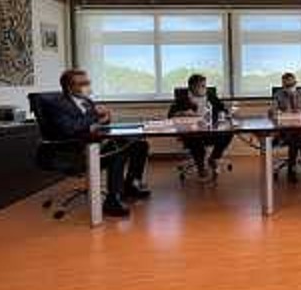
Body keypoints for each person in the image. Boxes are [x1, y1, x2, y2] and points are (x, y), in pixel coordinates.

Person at [45, 69, 150, 218]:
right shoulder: (57, 104)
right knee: (117, 150)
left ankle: (131, 185)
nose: (87, 86)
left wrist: (106, 117)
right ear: (69, 87)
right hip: (75, 151)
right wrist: (95, 115)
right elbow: (70, 128)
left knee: (139, 144)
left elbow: (96, 123)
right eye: (82, 83)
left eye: (87, 82)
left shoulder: (86, 101)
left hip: (95, 144)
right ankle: (112, 200)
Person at [168, 73, 233, 179]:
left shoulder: (210, 96)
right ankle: (200, 166)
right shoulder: (183, 98)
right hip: (191, 132)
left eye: (205, 85)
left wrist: (227, 112)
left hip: (210, 129)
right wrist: (183, 113)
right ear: (192, 87)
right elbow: (170, 115)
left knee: (229, 132)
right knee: (195, 139)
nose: (204, 88)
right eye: (201, 86)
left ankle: (214, 157)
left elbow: (222, 109)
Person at [271, 72, 301, 183]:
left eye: (292, 85)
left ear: (296, 83)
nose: (290, 88)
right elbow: (272, 111)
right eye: (287, 85)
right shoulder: (278, 95)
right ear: (283, 85)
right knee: (297, 135)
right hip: (285, 129)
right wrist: (281, 112)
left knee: (297, 134)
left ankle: (291, 168)